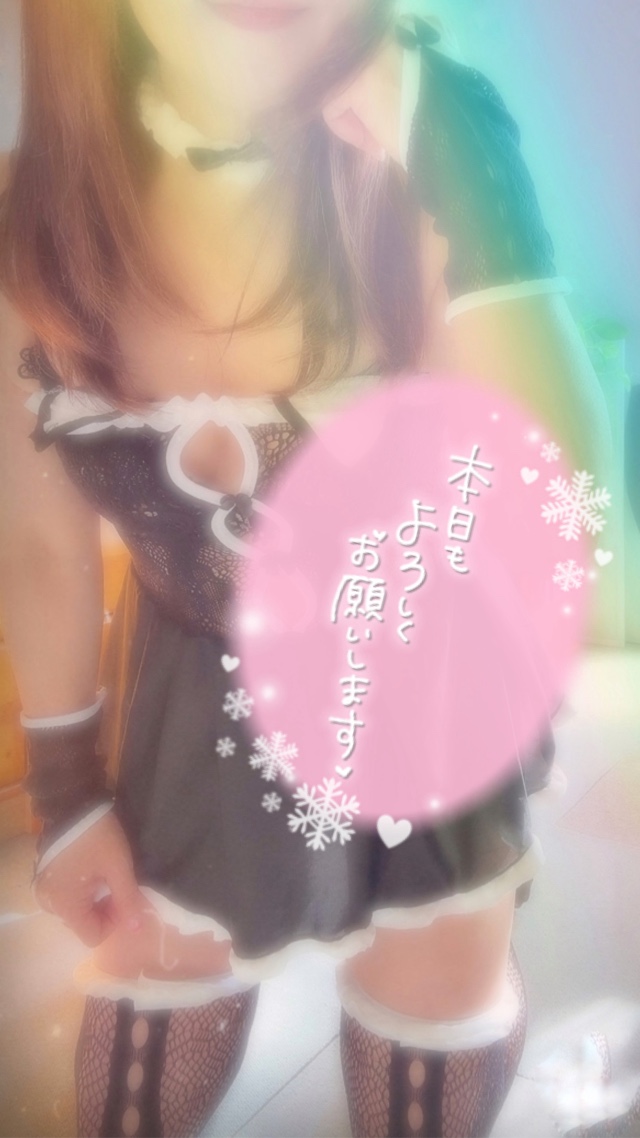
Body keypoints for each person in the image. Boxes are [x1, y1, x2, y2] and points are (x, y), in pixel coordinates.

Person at [0, 2, 611, 1136]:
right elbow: (39, 543)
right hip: (192, 695)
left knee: (432, 1013)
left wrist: (469, 170)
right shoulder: (23, 218)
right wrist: (66, 789)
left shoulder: (421, 170)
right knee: (142, 1054)